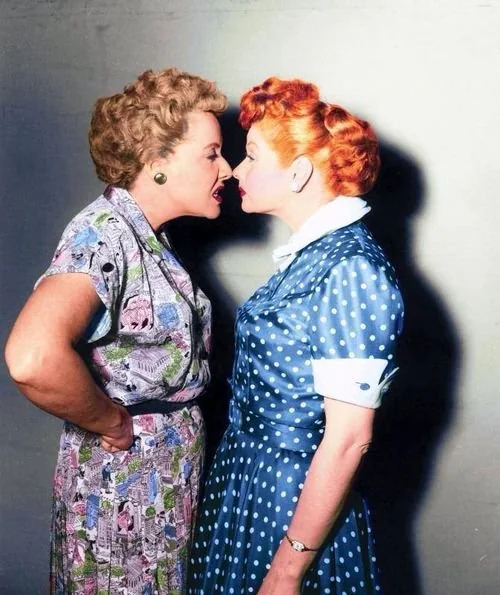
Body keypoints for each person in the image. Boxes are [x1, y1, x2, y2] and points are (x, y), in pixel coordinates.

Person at [4, 67, 232, 594]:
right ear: (157, 162)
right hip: (126, 481)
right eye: (212, 154)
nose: (227, 168)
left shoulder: (145, 233)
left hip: (161, 479)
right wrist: (111, 422)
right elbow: (32, 357)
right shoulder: (103, 235)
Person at [188, 77, 404, 594]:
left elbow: (348, 438)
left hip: (289, 502)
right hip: (251, 488)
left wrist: (287, 570)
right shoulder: (316, 256)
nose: (238, 170)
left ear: (300, 171)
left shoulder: (351, 268)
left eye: (252, 156)